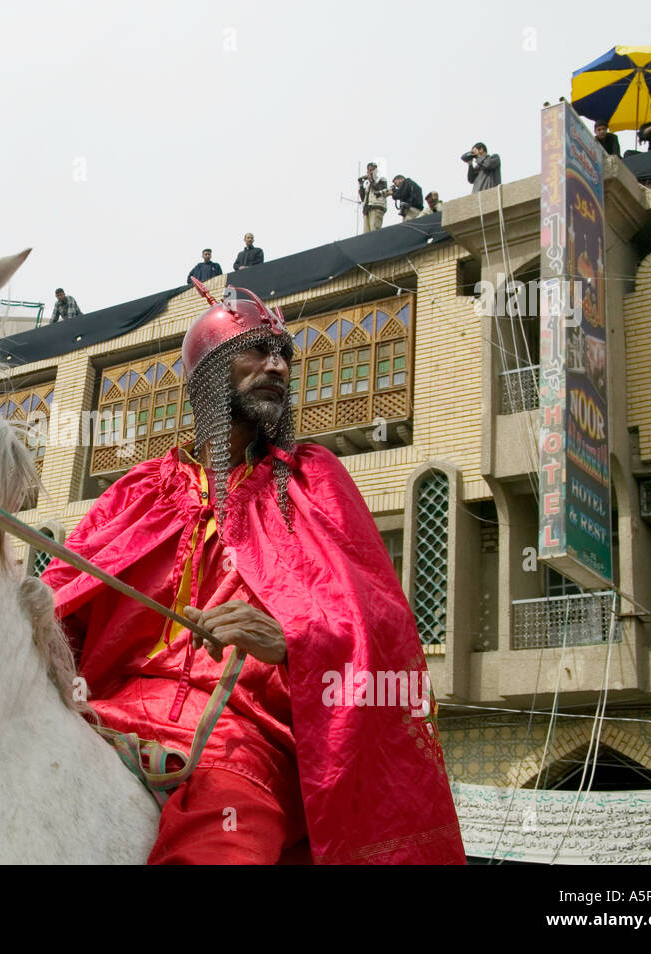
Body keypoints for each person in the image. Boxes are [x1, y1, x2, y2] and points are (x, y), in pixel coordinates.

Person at [42, 281, 466, 865]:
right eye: (257, 351)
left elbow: (383, 631)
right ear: (209, 377)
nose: (278, 365)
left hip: (240, 745)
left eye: (284, 355)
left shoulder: (313, 480)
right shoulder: (137, 489)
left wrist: (292, 641)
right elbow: (57, 608)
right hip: (103, 717)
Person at [357, 164, 389, 232]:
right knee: (366, 233)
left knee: (374, 230)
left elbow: (378, 189)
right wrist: (361, 185)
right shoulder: (368, 183)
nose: (370, 172)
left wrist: (371, 179)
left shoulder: (381, 179)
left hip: (376, 207)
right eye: (368, 170)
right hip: (367, 209)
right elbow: (363, 198)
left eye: (371, 170)